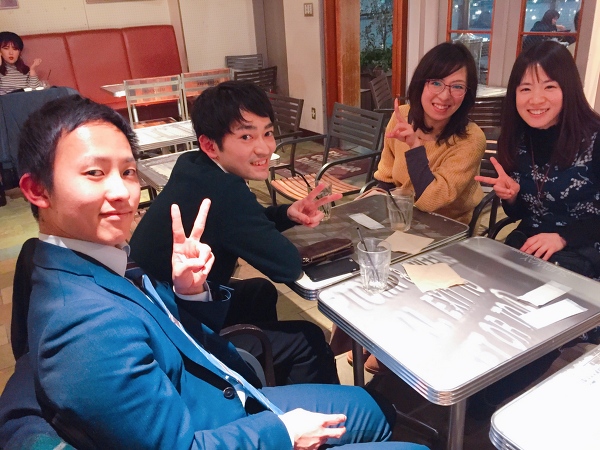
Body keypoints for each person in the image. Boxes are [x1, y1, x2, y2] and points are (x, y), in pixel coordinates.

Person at [0, 94, 428, 450]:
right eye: (94, 173)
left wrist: (188, 293)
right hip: (220, 418)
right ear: (37, 190)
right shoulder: (85, 326)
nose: (121, 191)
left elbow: (166, 331)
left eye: (127, 171)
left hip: (210, 388)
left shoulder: (91, 257)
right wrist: (283, 433)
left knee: (371, 406)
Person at [130, 81, 340, 326]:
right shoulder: (223, 189)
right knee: (308, 336)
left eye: (268, 133)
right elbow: (287, 266)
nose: (264, 149)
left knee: (260, 292)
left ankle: (259, 347)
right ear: (210, 145)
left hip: (149, 300)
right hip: (171, 320)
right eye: (246, 136)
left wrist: (287, 214)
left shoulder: (194, 164)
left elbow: (241, 222)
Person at [476, 40, 600, 279]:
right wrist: (512, 197)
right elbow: (520, 213)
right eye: (525, 89)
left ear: (568, 89)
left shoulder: (595, 139)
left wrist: (563, 237)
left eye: (549, 87)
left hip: (586, 253)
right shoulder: (516, 139)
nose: (536, 100)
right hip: (532, 249)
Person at [373, 42, 486, 225]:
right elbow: (386, 176)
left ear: (467, 93)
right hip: (402, 215)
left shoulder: (471, 139)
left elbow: (432, 200)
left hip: (448, 224)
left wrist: (415, 147)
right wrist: (374, 202)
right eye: (436, 83)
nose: (444, 96)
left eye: (457, 87)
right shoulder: (402, 117)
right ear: (421, 83)